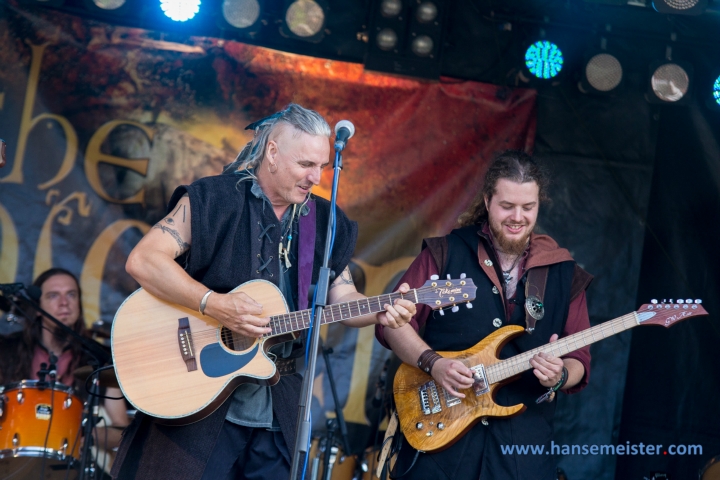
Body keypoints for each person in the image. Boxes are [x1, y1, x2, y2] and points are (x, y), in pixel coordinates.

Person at [111, 104, 416, 480]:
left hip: (278, 404)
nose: (315, 177)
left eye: (322, 166)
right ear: (272, 152)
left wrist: (382, 310)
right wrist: (215, 305)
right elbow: (143, 261)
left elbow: (342, 299)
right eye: (306, 164)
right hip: (198, 401)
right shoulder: (214, 199)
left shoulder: (324, 220)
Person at [375, 150, 593, 480]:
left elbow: (580, 359)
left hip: (520, 456)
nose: (517, 216)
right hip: (439, 448)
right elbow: (393, 322)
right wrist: (433, 363)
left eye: (528, 207)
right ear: (488, 201)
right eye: (507, 206)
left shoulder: (563, 270)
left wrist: (560, 375)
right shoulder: (446, 251)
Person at [0, 268, 129, 461]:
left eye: (71, 294)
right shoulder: (7, 351)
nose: (64, 303)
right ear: (36, 309)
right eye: (53, 296)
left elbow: (122, 433)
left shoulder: (99, 359)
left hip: (74, 466)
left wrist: (87, 434)